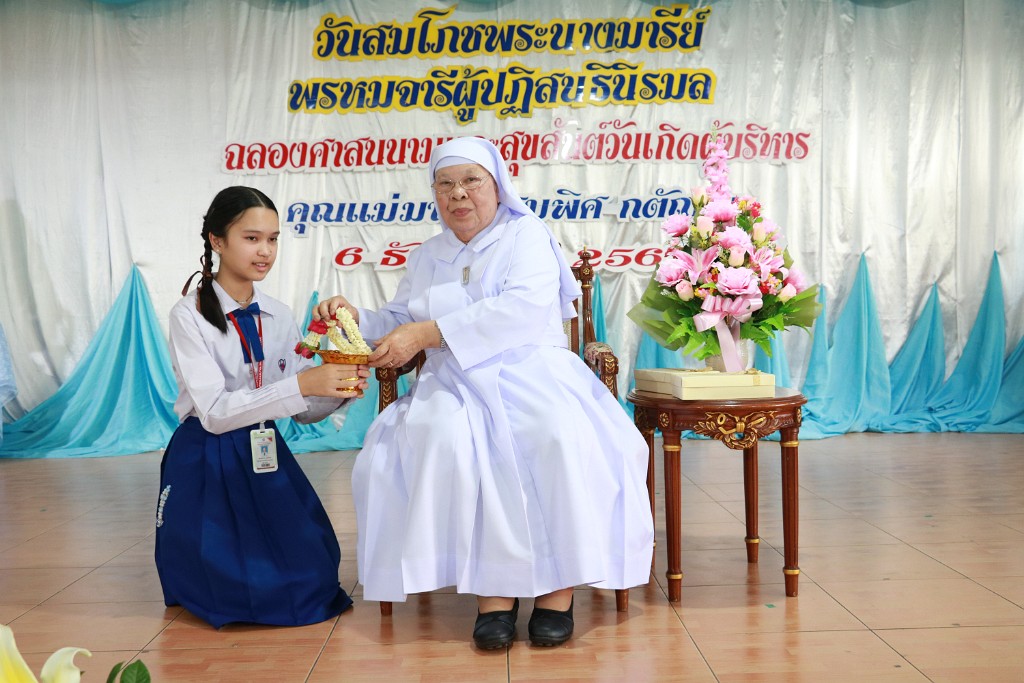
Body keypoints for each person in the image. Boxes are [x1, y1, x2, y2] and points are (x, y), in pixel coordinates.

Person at [316, 137, 654, 649]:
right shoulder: (428, 254)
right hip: (453, 378)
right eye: (445, 184)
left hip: (533, 368)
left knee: (555, 437)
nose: (458, 194)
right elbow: (401, 318)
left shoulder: (526, 235)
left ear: (497, 185)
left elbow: (520, 310)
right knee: (445, 438)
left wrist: (428, 334)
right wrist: (355, 316)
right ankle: (493, 597)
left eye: (471, 181)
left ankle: (556, 593)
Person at [155, 186, 369, 628]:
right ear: (217, 240)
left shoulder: (278, 313)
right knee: (229, 581)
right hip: (207, 455)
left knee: (314, 574)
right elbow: (215, 413)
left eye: (273, 239)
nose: (265, 251)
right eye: (251, 238)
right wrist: (303, 383)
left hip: (263, 447)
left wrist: (338, 386)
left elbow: (302, 410)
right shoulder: (188, 314)